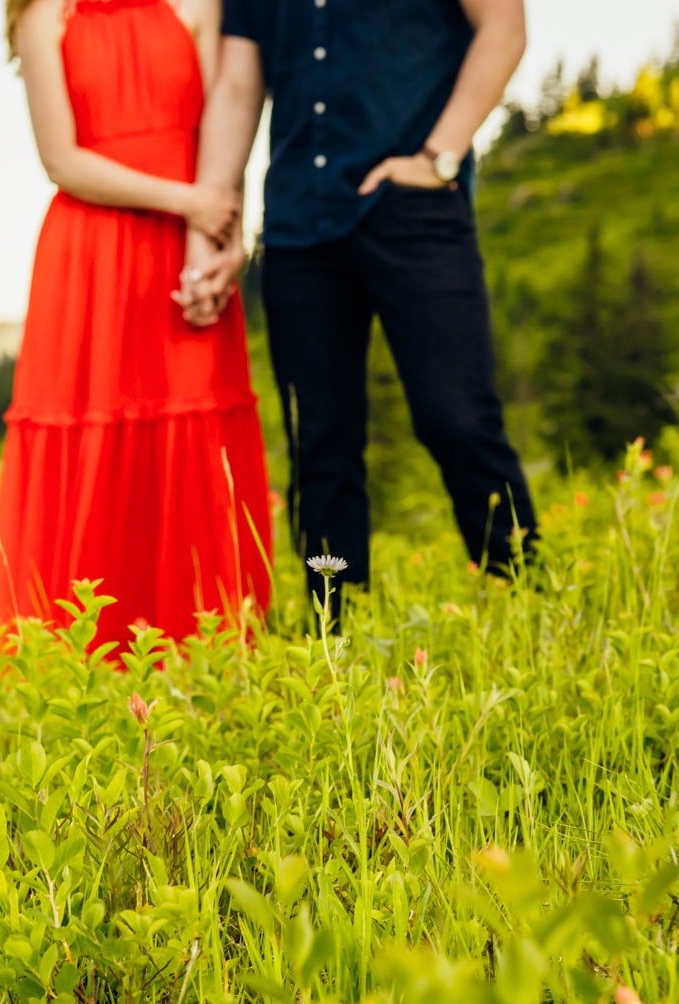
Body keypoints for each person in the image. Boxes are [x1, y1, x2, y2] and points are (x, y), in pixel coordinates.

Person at [179, 0, 538, 623]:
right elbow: (238, 91)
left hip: (416, 210)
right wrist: (215, 225)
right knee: (319, 442)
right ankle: (334, 629)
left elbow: (504, 26)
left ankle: (528, 597)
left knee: (457, 418)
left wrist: (439, 156)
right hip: (297, 226)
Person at [0, 0, 273, 654]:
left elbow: (223, 127)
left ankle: (208, 651)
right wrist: (190, 204)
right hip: (94, 256)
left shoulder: (196, 3)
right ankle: (88, 658)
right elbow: (61, 161)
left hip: (188, 247)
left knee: (193, 432)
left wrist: (223, 236)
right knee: (96, 429)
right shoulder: (44, 15)